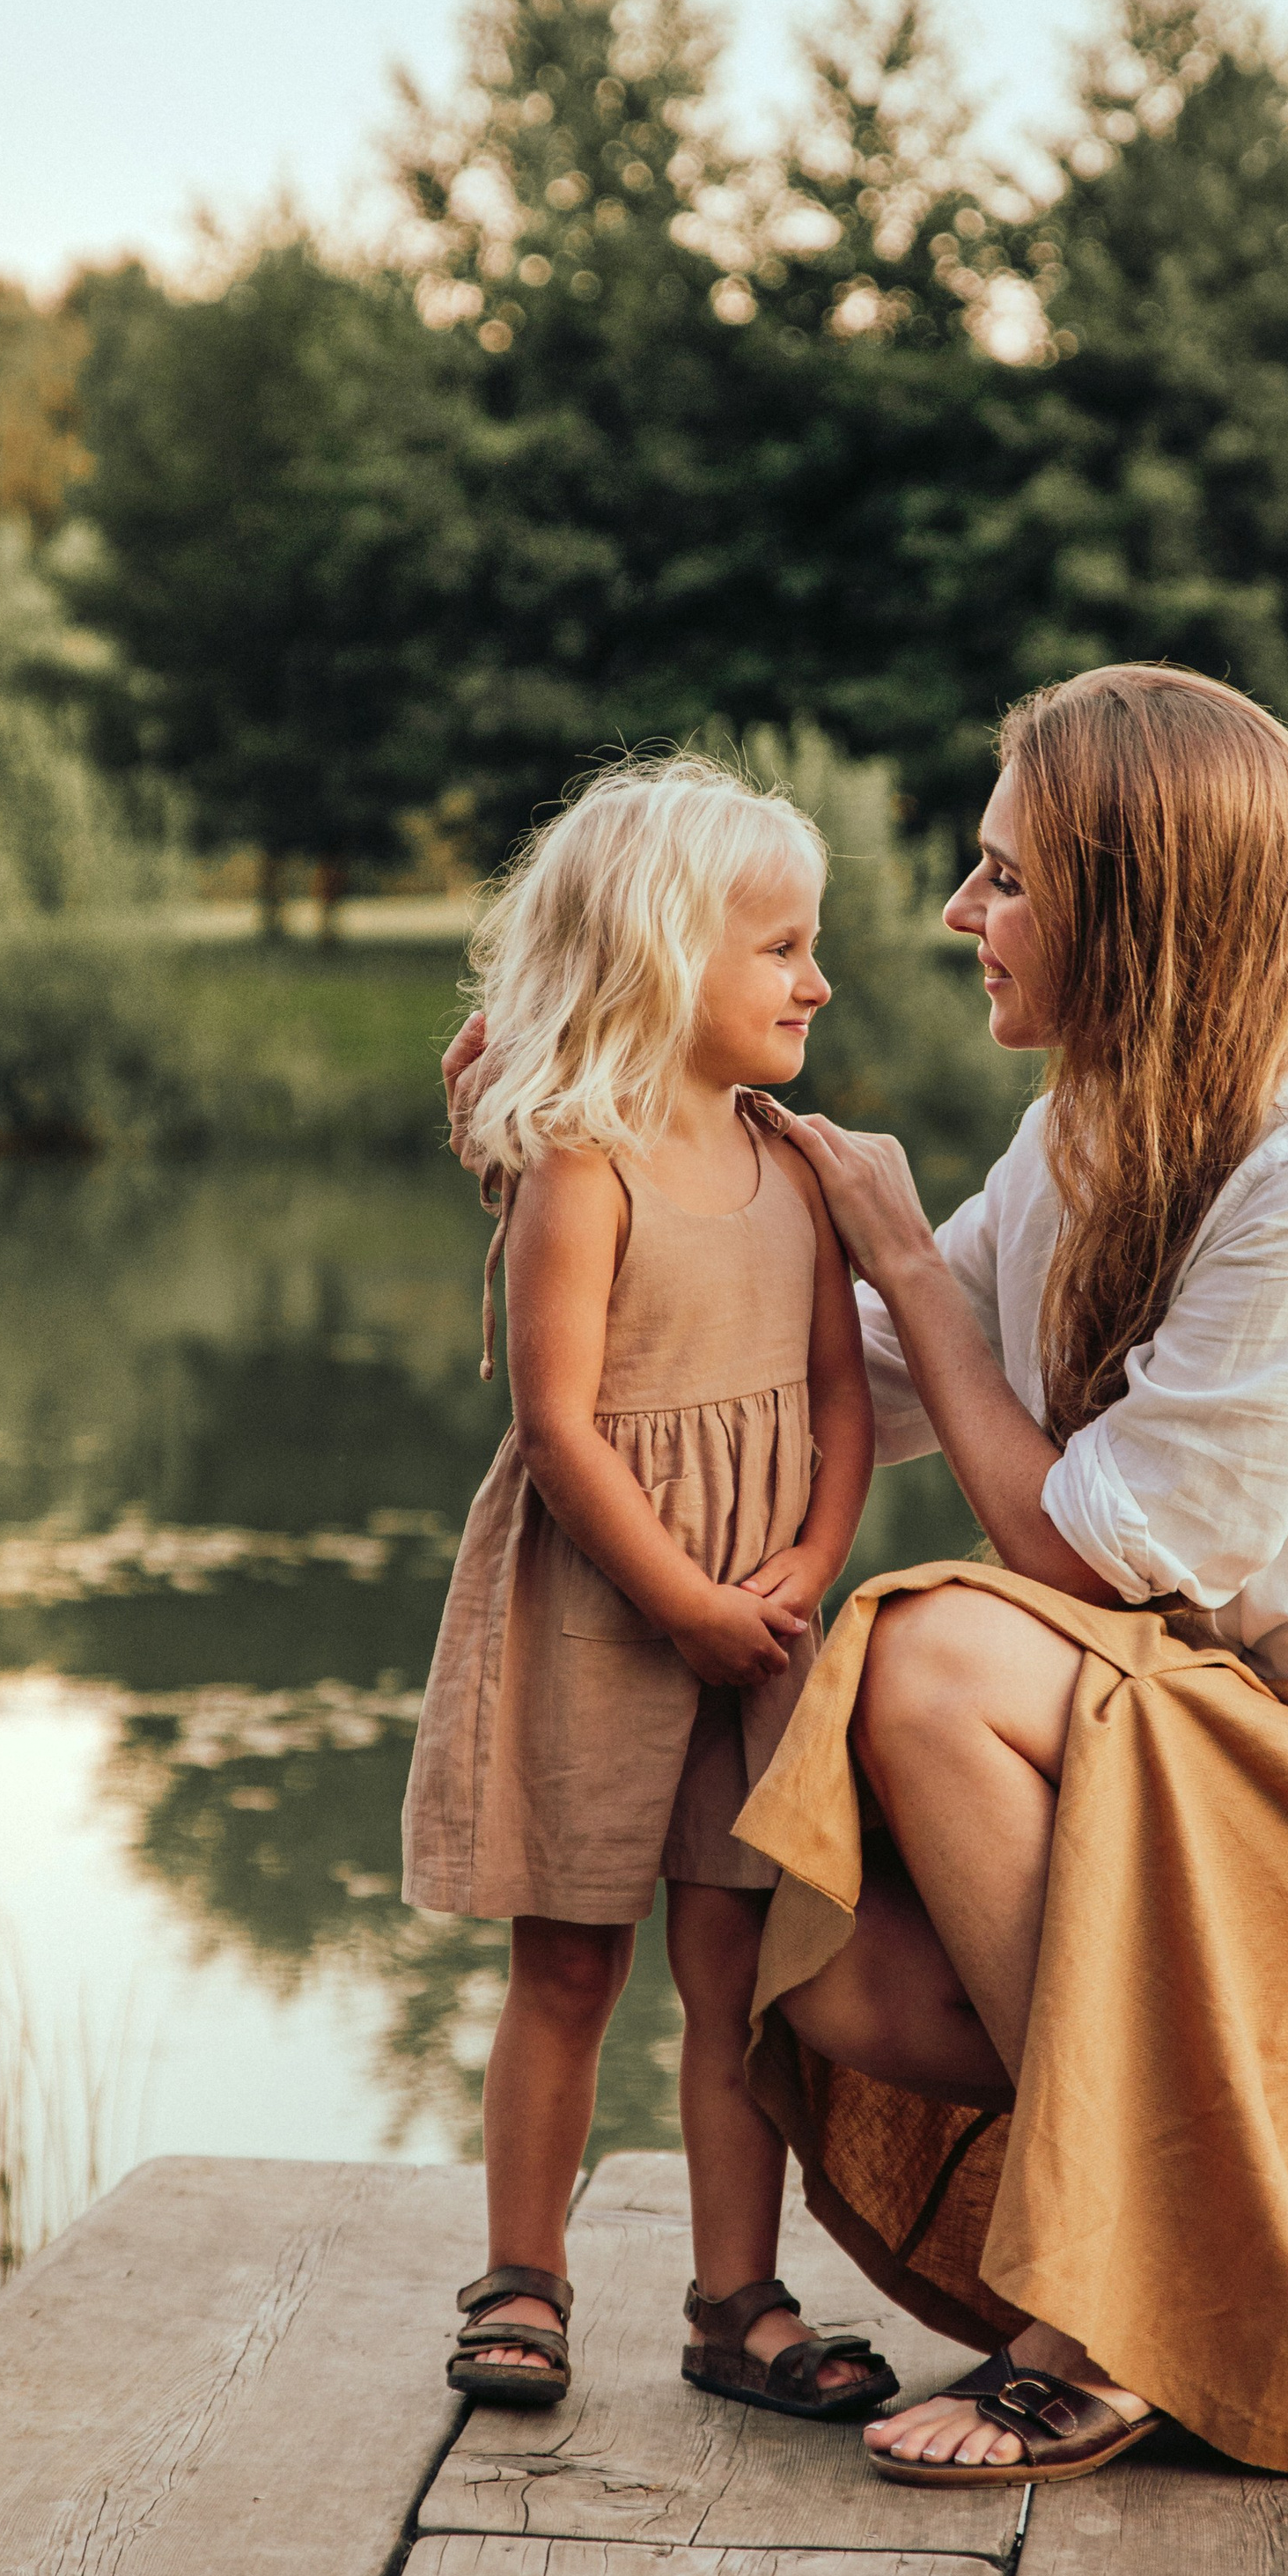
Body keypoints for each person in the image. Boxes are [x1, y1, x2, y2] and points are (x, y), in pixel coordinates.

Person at [444, 667, 1288, 2494]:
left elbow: (1072, 1540)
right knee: (816, 1965)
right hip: (1249, 1759)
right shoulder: (1089, 1133)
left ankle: (1119, 2315)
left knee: (921, 1656)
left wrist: (917, 1262)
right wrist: (566, 1156)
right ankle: (1182, 2242)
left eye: (1002, 878)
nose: (954, 917)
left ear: (1128, 914)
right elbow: (853, 1365)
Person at [403, 755, 895, 2425]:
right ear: (661, 958)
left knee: (735, 1965)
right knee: (566, 1963)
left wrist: (803, 1573)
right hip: (605, 1609)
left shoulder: (799, 1169)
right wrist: (680, 1599)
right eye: (780, 948)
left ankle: (734, 2302)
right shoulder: (583, 1166)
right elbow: (554, 1423)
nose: (816, 980)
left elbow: (843, 1397)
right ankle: (523, 2278)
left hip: (755, 1621)